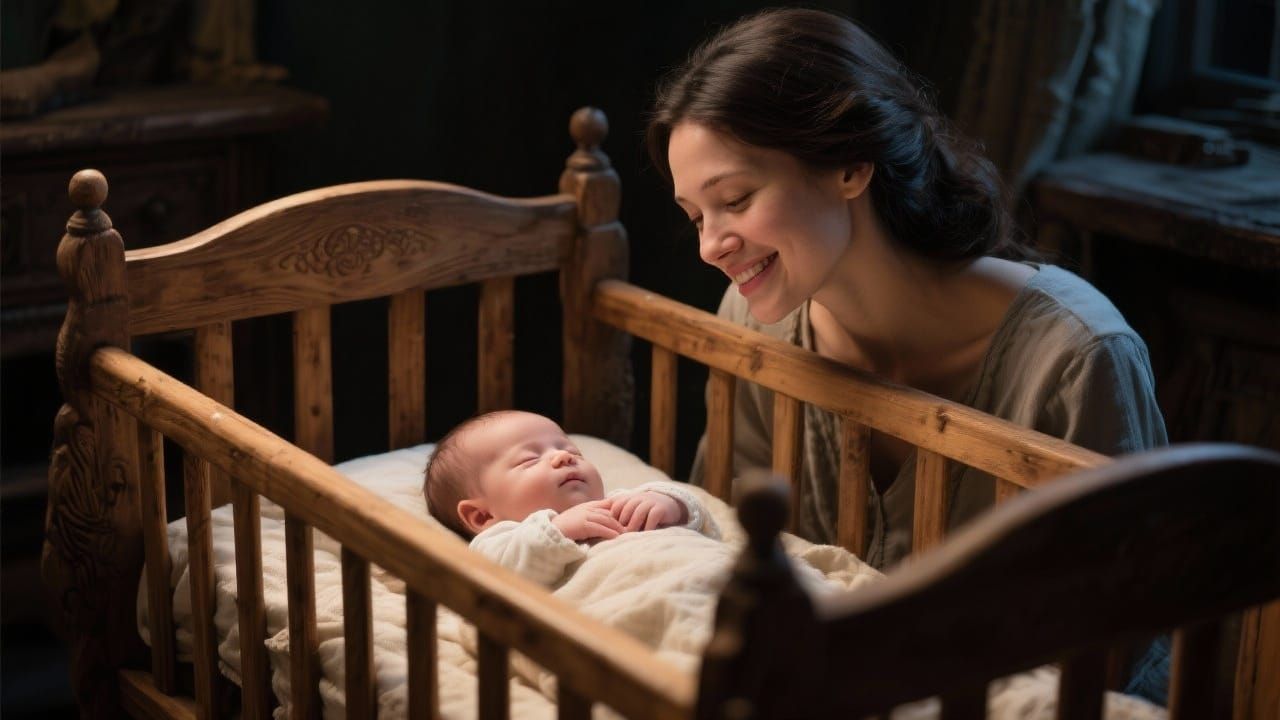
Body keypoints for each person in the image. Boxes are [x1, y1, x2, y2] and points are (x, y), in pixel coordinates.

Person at [646, 7, 1169, 701]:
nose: (712, 245)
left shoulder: (1076, 357)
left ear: (850, 166)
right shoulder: (753, 322)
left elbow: (1110, 643)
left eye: (735, 199)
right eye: (695, 216)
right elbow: (724, 544)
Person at [423, 410, 720, 586]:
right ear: (483, 516)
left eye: (572, 451)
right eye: (529, 460)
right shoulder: (500, 542)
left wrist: (670, 504)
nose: (564, 456)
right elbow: (497, 580)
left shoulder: (619, 502)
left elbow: (706, 524)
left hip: (709, 574)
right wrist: (558, 530)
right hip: (636, 598)